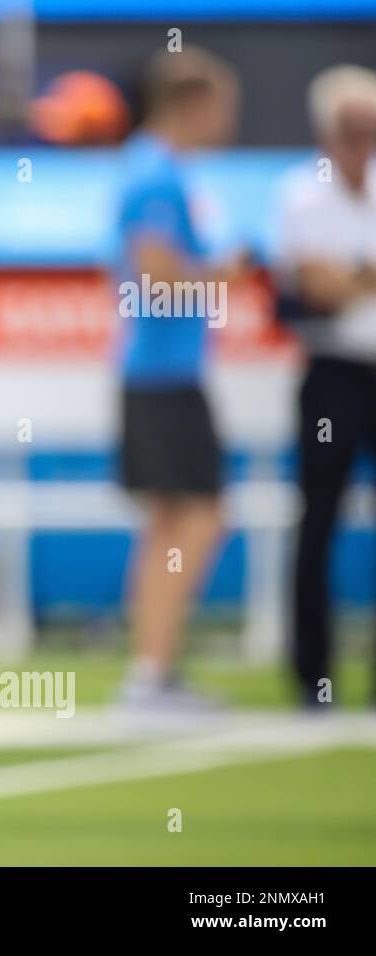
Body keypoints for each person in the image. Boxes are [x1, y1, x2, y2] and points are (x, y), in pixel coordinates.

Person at [113, 48, 247, 710]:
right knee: (197, 514)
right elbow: (156, 277)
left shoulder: (155, 170)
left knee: (171, 519)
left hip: (161, 371)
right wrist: (225, 275)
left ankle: (154, 670)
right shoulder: (156, 175)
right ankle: (151, 672)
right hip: (163, 373)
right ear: (192, 105)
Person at [273, 65, 376, 709]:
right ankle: (314, 675)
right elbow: (312, 288)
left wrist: (351, 277)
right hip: (333, 373)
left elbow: (338, 281)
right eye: (350, 129)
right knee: (318, 524)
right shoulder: (300, 194)